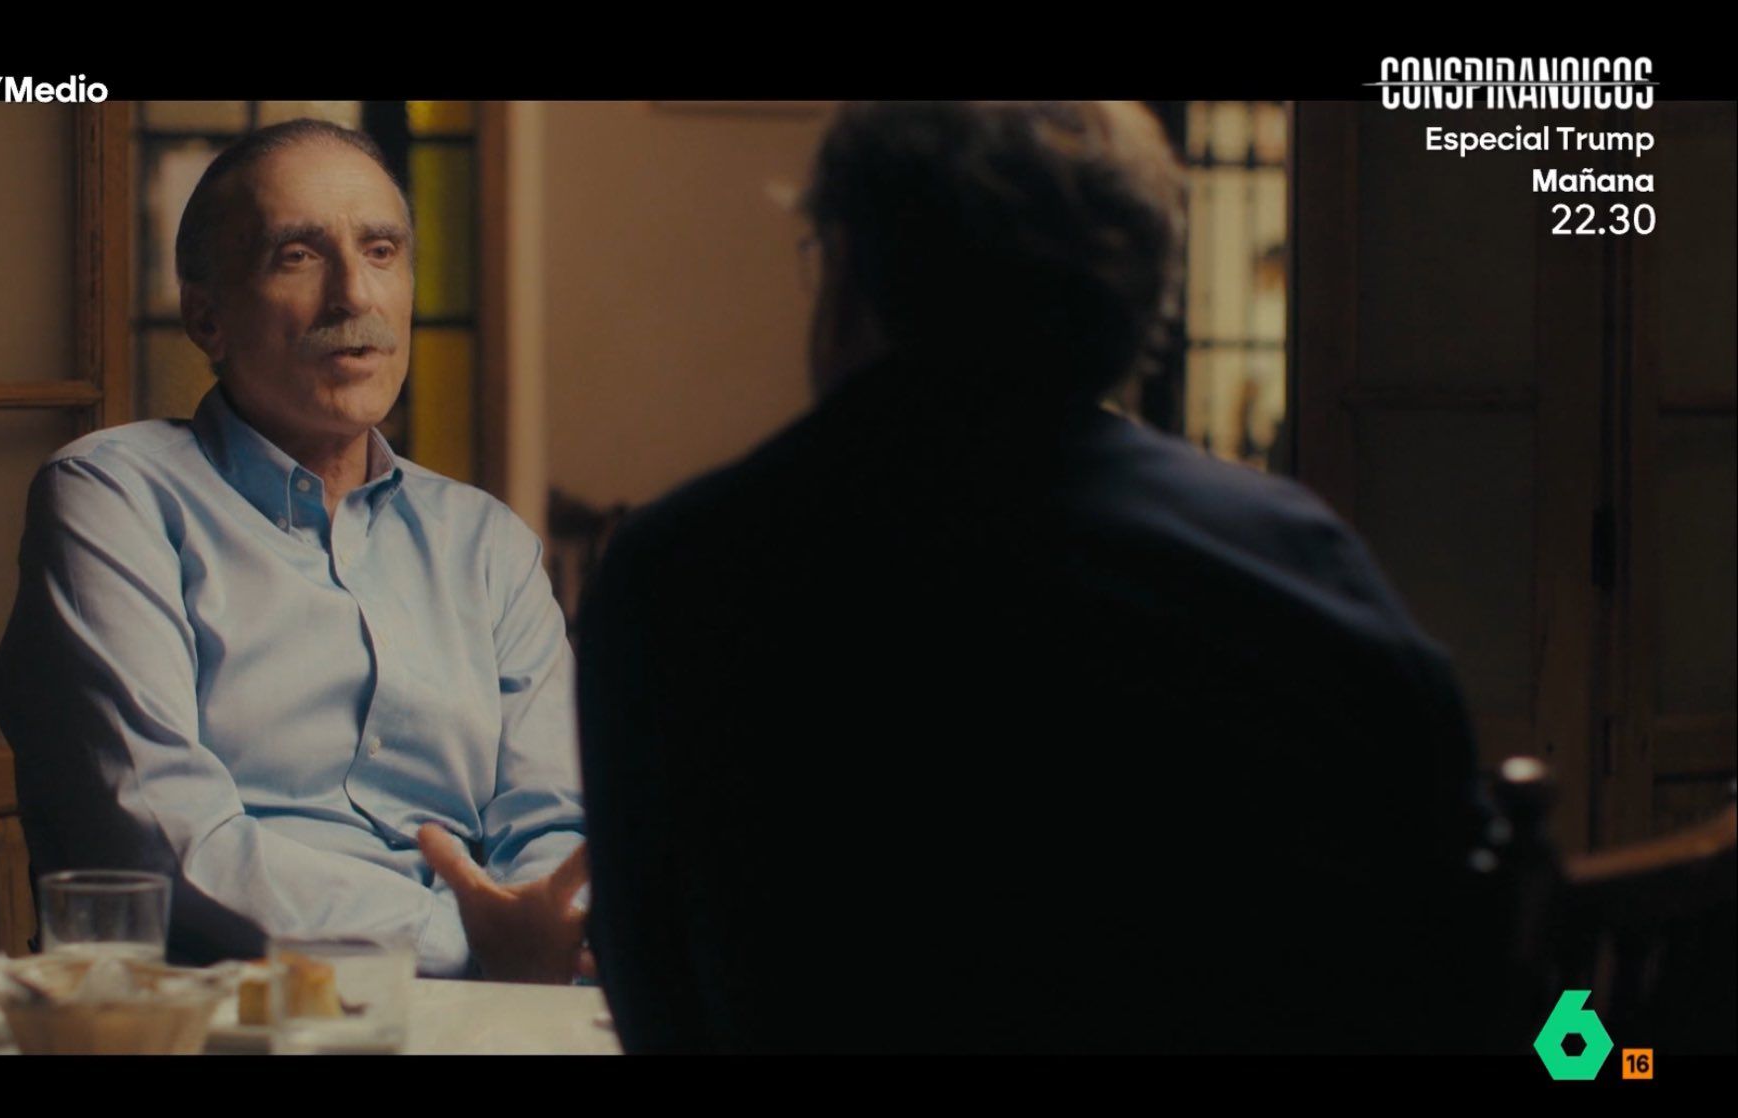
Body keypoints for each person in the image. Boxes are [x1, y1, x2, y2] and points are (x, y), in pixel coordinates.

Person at [575, 102, 1511, 1051]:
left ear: (849, 272)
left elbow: (657, 1002)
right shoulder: (1296, 568)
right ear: (1136, 297)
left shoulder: (676, 576)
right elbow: (1473, 974)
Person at [0, 119, 588, 981]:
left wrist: (542, 922)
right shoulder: (114, 497)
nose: (355, 295)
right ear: (207, 316)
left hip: (496, 1002)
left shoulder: (487, 542)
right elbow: (164, 839)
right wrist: (477, 940)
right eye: (298, 256)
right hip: (213, 1008)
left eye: (381, 251)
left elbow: (553, 819)